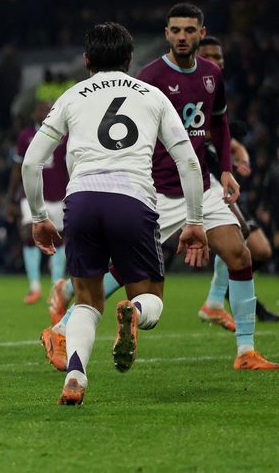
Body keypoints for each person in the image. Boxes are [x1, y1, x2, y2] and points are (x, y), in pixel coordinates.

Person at [40, 4, 278, 372]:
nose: (182, 36)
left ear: (202, 32)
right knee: (127, 274)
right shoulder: (149, 79)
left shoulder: (212, 74)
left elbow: (220, 126)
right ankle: (63, 324)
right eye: (175, 30)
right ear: (166, 34)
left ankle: (245, 350)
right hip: (155, 191)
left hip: (198, 186)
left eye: (189, 30)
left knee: (240, 254)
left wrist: (226, 170)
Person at [22, 22, 209, 406]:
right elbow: (188, 162)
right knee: (151, 297)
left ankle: (75, 373)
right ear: (129, 59)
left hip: (83, 200)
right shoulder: (153, 95)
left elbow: (31, 163)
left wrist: (40, 216)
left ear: (87, 59)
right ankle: (134, 312)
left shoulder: (72, 95)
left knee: (87, 301)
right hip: (132, 199)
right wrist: (194, 221)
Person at [195, 36, 279, 324]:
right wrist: (225, 133)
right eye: (209, 57)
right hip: (185, 181)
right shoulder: (187, 89)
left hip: (215, 178)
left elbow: (225, 139)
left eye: (219, 58)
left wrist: (241, 154)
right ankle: (217, 300)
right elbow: (187, 133)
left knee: (259, 250)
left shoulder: (215, 91)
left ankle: (218, 299)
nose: (216, 63)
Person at [6, 100, 69, 304]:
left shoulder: (65, 136)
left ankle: (56, 284)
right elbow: (18, 168)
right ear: (34, 114)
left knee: (58, 240)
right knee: (29, 233)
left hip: (58, 196)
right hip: (31, 195)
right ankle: (34, 286)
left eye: (48, 110)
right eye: (41, 110)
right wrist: (10, 197)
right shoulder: (25, 136)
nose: (44, 113)